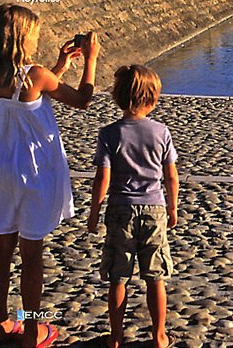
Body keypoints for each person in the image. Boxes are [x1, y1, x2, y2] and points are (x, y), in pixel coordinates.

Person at [0, 4, 100, 348]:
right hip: (30, 168)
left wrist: (60, 65)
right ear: (22, 37)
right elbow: (81, 99)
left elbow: (36, 87)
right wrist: (90, 59)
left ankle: (1, 323)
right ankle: (31, 330)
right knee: (31, 256)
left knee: (2, 247)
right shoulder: (36, 74)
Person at [88, 65, 179, 348]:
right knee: (155, 276)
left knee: (118, 276)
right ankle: (159, 335)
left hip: (119, 209)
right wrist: (173, 208)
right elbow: (171, 176)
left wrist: (94, 212)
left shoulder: (109, 133)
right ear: (152, 99)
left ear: (118, 97)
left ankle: (115, 337)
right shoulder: (161, 132)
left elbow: (102, 178)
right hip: (154, 208)